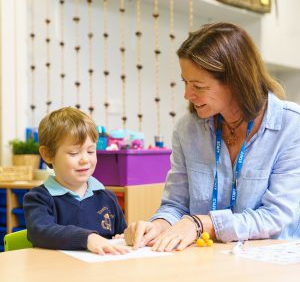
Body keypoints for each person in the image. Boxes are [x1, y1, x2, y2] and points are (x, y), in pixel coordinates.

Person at [124, 22, 300, 252]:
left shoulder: (291, 125)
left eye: (198, 86)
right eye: (185, 83)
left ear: (235, 81)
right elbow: (176, 204)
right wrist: (157, 225)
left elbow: (276, 217)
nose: (187, 94)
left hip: (271, 262)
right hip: (208, 260)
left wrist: (203, 224)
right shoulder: (187, 130)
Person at [23, 107, 129, 255]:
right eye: (74, 153)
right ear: (48, 155)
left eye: (91, 151)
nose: (85, 159)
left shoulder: (107, 197)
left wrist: (125, 237)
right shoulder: (38, 198)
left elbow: (120, 234)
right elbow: (40, 231)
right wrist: (87, 238)